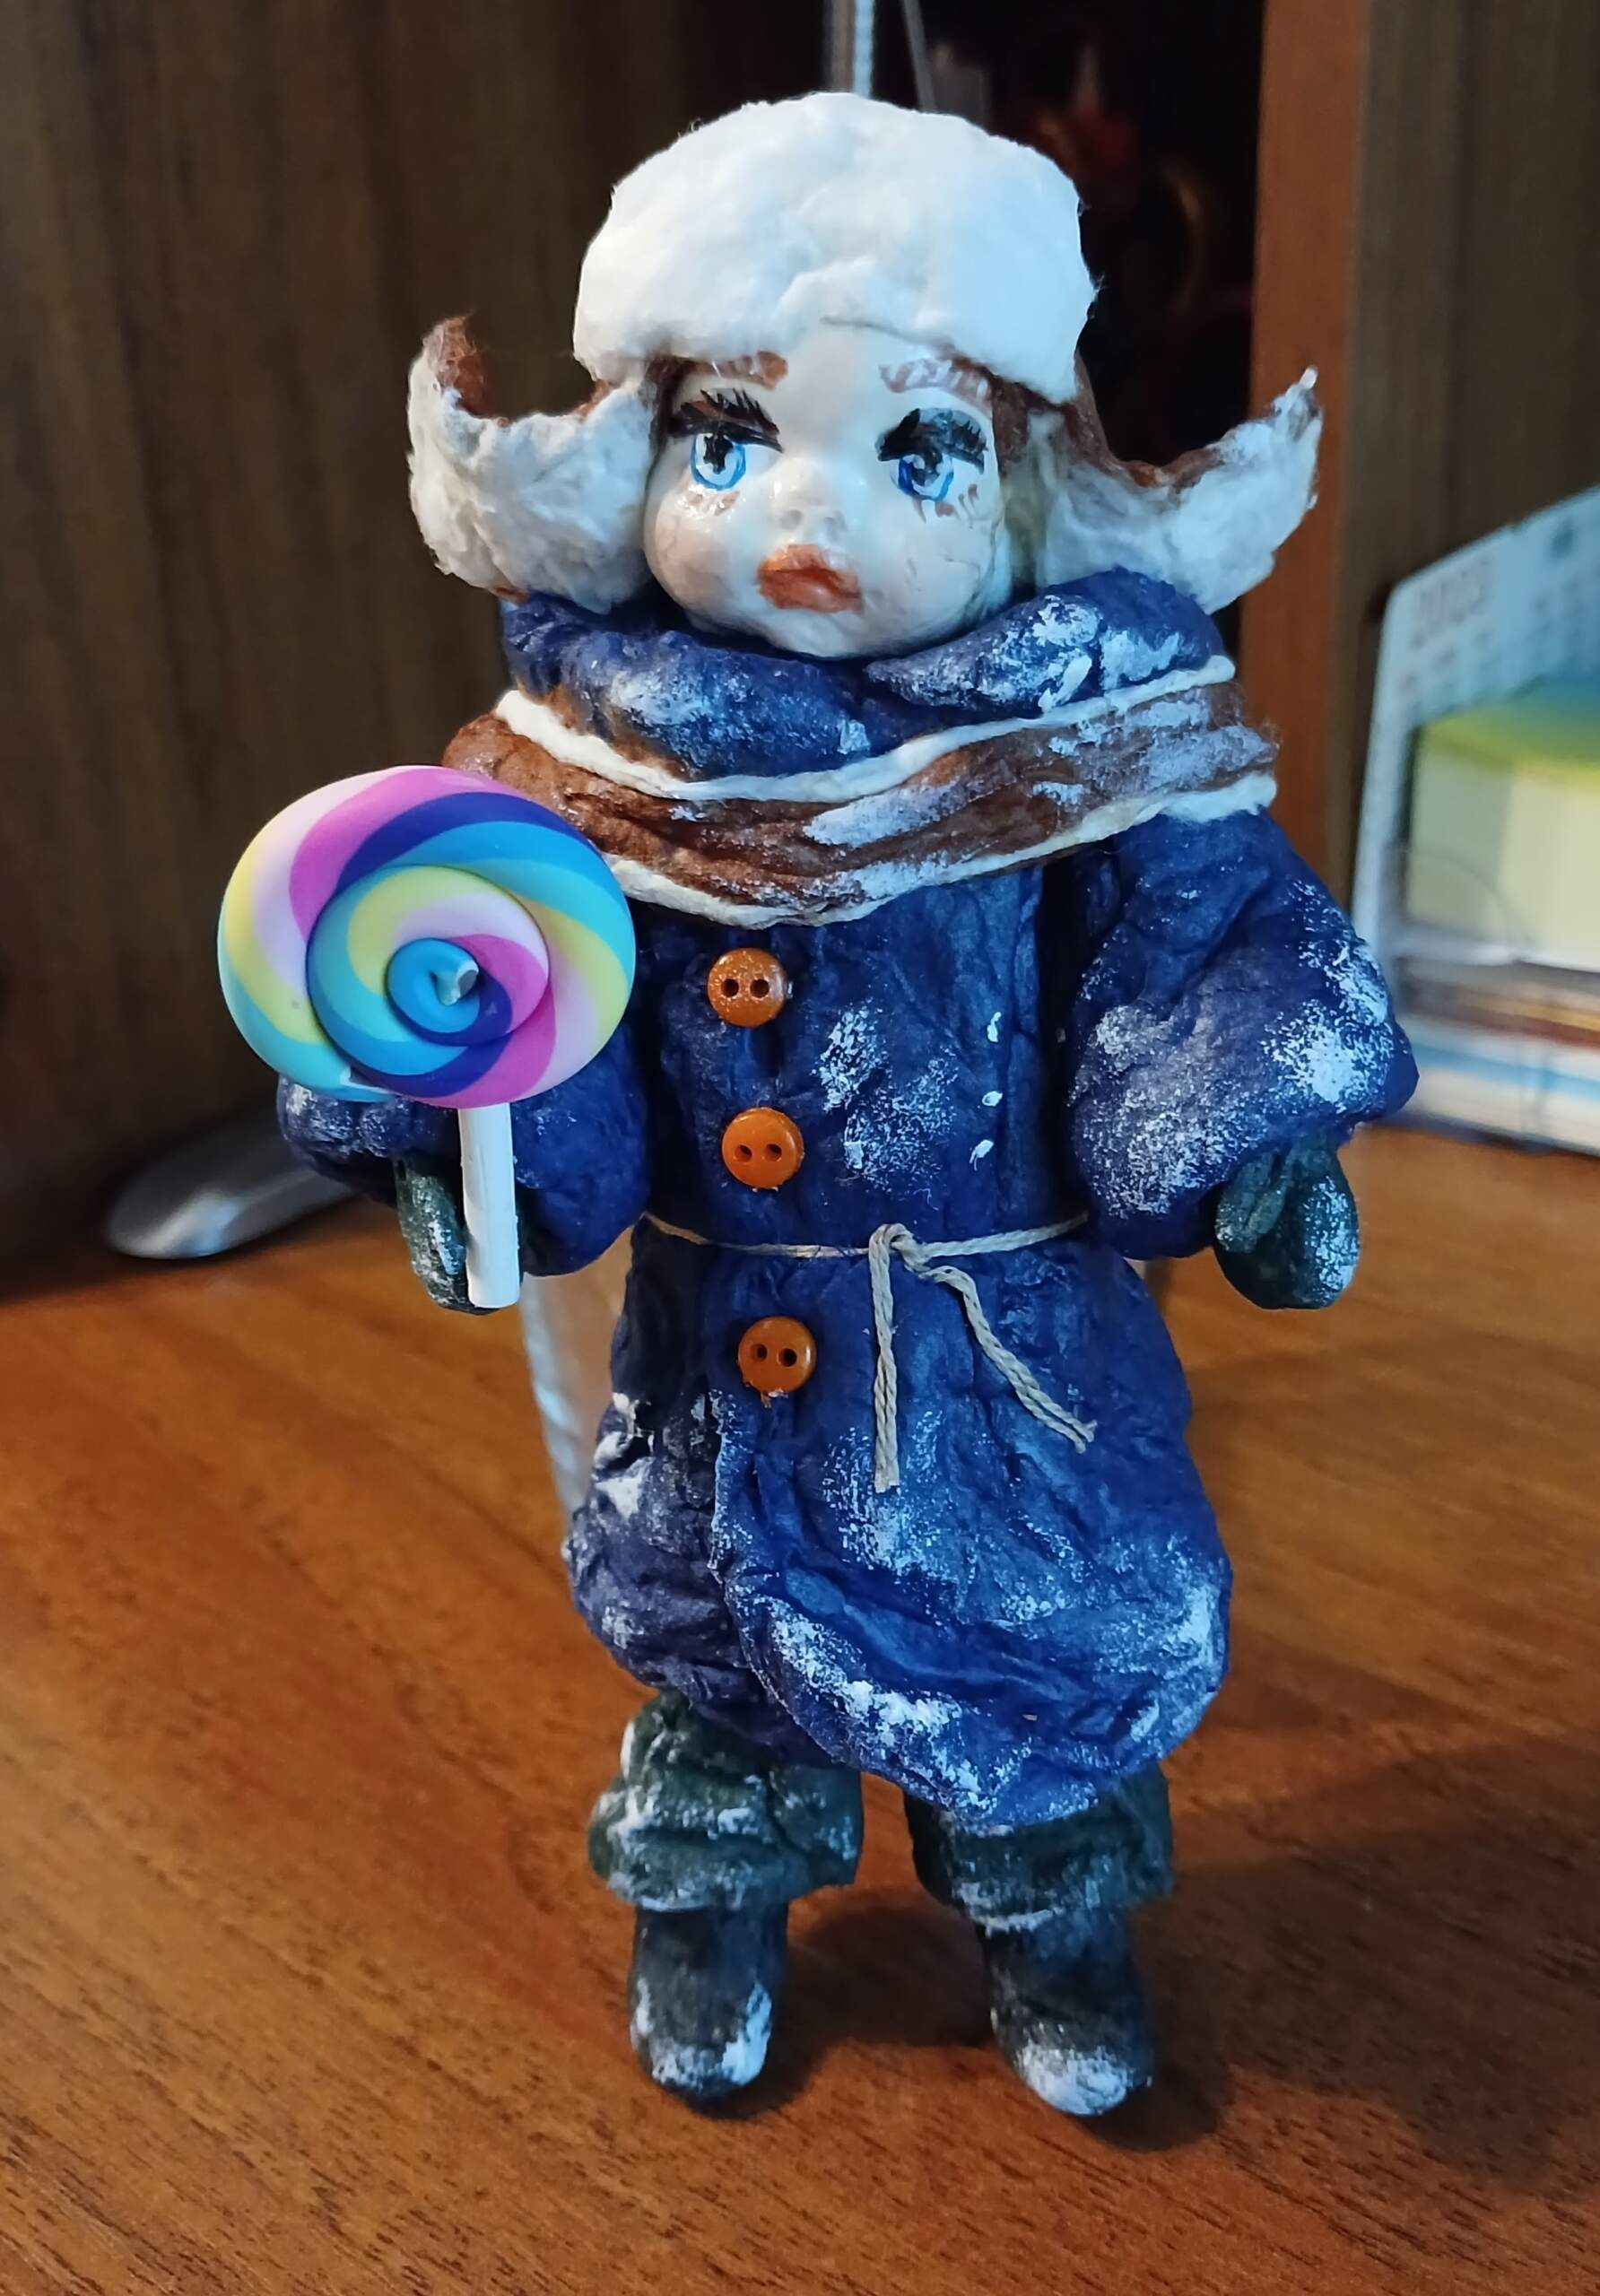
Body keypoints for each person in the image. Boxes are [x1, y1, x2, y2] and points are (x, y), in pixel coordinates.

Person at [283, 93, 1414, 2115]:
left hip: (1010, 1348)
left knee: (1045, 1656)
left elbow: (1186, 953)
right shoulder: (592, 783)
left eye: (918, 454)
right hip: (731, 1338)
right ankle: (709, 1905)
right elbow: (540, 1026)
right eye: (730, 441)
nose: (813, 522)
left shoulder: (1086, 760)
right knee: (717, 1665)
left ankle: (1052, 1919)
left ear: (1025, 488)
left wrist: (1250, 1146)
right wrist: (474, 1147)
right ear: (634, 462)